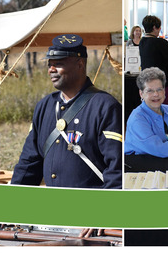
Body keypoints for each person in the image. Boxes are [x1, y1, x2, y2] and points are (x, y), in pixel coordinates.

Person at [11, 34, 122, 189]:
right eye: (50, 64)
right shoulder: (44, 106)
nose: (51, 69)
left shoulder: (105, 106)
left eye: (59, 64)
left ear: (80, 64)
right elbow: (29, 163)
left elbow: (117, 170)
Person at [139, 15, 168, 105]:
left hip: (149, 83)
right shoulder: (159, 42)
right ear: (154, 27)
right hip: (165, 84)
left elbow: (159, 50)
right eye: (159, 28)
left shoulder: (143, 42)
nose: (159, 30)